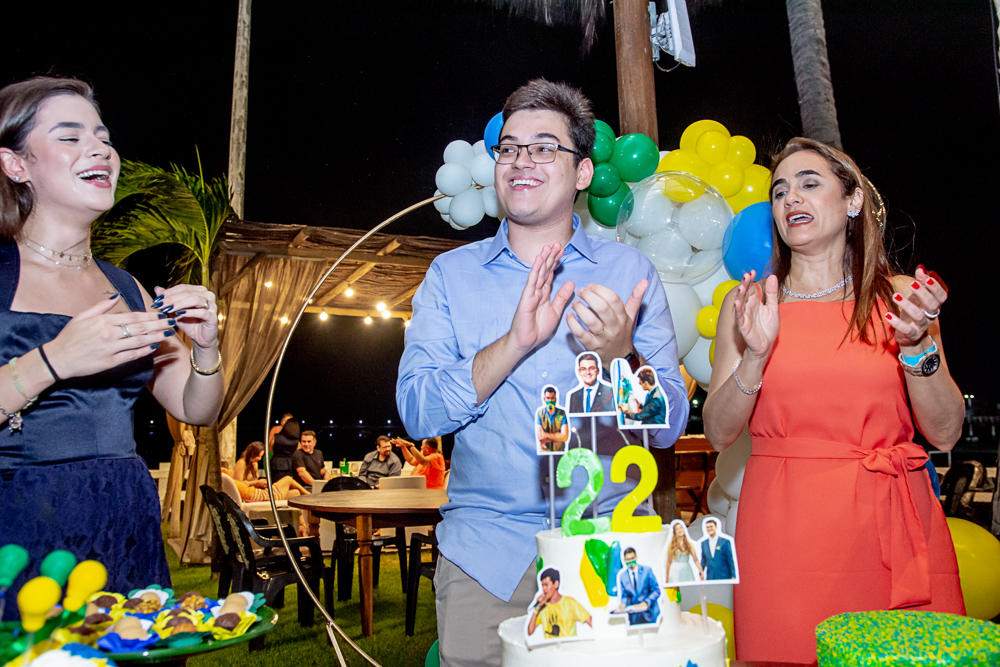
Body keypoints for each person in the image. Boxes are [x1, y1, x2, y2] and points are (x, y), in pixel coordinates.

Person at [398, 80, 687, 667]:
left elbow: (669, 425)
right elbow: (418, 410)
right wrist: (514, 343)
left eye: (544, 147)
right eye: (509, 148)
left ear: (582, 172)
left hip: (611, 547)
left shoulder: (629, 270)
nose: (522, 161)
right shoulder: (451, 275)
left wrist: (620, 357)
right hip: (486, 554)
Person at [702, 137, 965, 663]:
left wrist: (917, 347)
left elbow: (945, 432)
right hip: (785, 535)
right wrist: (755, 356)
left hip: (892, 525)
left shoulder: (901, 298)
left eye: (809, 184)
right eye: (779, 191)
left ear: (852, 202)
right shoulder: (751, 305)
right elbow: (717, 432)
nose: (791, 199)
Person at [0, 78, 224, 620]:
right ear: (16, 164)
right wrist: (54, 360)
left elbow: (197, 408)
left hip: (123, 519)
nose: (100, 148)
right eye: (71, 137)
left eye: (102, 136)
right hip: (22, 522)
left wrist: (207, 348)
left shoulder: (128, 289)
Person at [227, 441, 310, 534]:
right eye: (258, 456)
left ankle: (302, 527)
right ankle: (311, 496)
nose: (259, 458)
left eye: (261, 456)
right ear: (252, 453)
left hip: (259, 492)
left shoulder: (254, 464)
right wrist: (256, 482)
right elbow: (238, 485)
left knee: (295, 493)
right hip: (259, 497)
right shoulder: (241, 463)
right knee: (288, 479)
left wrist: (260, 483)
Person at [527, 567, 592, 639]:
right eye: (542, 585)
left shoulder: (569, 603)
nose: (544, 589)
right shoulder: (543, 607)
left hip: (568, 648)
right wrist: (537, 608)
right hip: (551, 649)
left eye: (546, 585)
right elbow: (530, 631)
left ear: (556, 584)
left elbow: (590, 621)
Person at [615, 547, 661, 626]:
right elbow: (625, 595)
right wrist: (623, 604)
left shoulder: (647, 570)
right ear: (624, 561)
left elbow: (656, 590)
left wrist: (646, 602)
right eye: (628, 559)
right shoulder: (623, 576)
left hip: (650, 614)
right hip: (634, 617)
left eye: (632, 558)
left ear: (636, 557)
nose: (630, 561)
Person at [535, 385, 568, 453]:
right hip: (545, 452)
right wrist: (558, 437)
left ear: (555, 399)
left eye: (552, 398)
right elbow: (540, 438)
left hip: (559, 452)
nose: (550, 401)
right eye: (548, 398)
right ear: (544, 399)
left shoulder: (562, 413)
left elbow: (564, 437)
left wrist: (546, 435)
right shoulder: (540, 413)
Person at [270, 417, 300, 482]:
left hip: (276, 464)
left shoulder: (276, 437)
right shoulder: (296, 441)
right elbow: (298, 453)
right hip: (291, 465)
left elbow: (270, 449)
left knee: (276, 486)